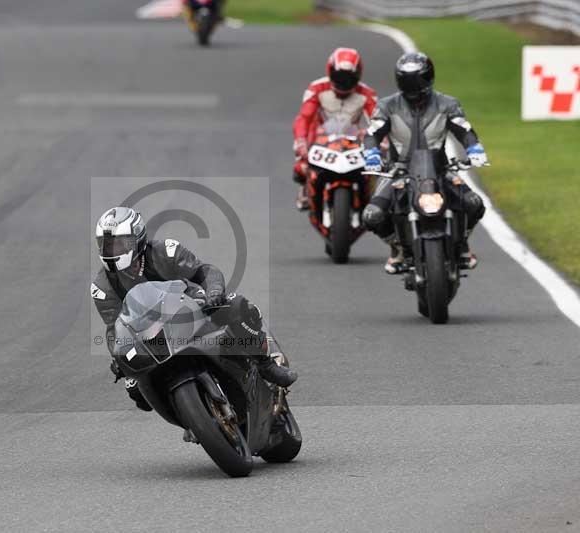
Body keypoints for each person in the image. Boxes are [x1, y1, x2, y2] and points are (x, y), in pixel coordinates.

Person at [90, 207, 297, 411]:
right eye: (106, 245)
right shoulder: (102, 287)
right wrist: (119, 358)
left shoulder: (165, 251)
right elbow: (114, 328)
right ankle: (189, 416)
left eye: (118, 244)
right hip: (149, 336)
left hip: (190, 308)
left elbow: (204, 271)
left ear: (136, 239)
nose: (111, 251)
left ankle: (265, 363)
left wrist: (214, 292)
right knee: (138, 393)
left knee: (237, 305)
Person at [362, 52, 488, 273]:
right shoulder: (386, 106)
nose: (412, 86)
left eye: (416, 79)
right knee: (372, 215)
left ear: (428, 77)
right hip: (399, 170)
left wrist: (474, 149)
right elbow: (372, 133)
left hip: (440, 169)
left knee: (474, 203)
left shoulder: (448, 104)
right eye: (406, 80)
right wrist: (372, 154)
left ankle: (462, 244)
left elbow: (465, 130)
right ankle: (397, 246)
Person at [292, 47, 378, 210]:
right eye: (339, 77)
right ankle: (306, 187)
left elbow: (378, 120)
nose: (344, 82)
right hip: (320, 139)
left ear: (358, 75)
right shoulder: (317, 88)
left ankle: (371, 195)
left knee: (377, 163)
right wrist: (301, 141)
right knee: (300, 167)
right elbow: (304, 117)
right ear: (330, 71)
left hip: (351, 139)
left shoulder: (367, 93)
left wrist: (381, 141)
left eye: (349, 78)